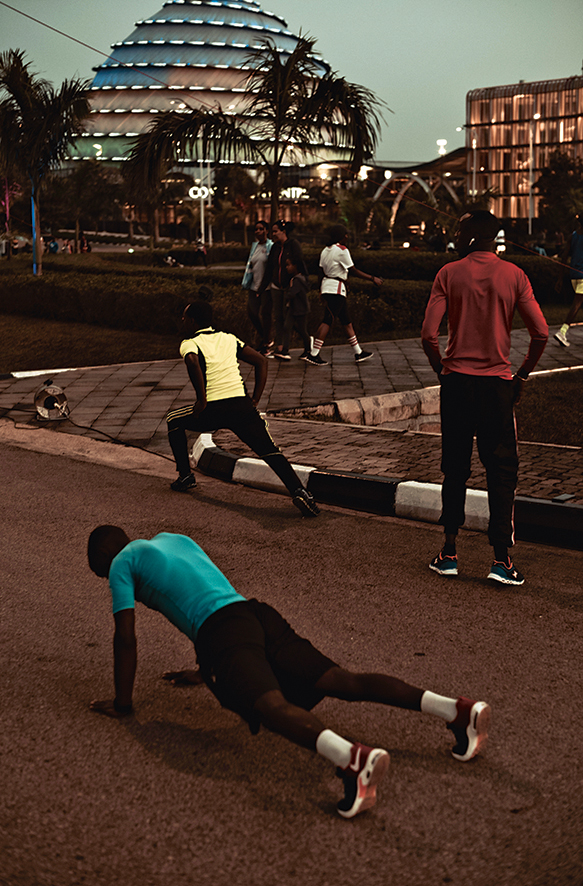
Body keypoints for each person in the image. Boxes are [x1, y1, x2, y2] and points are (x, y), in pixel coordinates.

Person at [87, 525, 492, 820]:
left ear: (105, 559)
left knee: (270, 706)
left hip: (223, 634)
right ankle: (456, 711)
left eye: (103, 575)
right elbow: (202, 593)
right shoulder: (174, 540)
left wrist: (124, 704)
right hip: (255, 615)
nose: (110, 581)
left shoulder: (123, 563)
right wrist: (204, 667)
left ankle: (353, 761)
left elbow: (126, 637)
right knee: (343, 681)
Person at [421, 210, 548, 585]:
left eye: (460, 230)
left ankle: (449, 553)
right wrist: (521, 373)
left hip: (457, 383)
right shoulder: (514, 275)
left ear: (472, 236)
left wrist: (441, 370)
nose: (455, 235)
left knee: (455, 467)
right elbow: (540, 332)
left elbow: (429, 334)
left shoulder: (449, 273)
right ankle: (501, 560)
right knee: (502, 471)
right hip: (497, 386)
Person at [165, 299, 319, 517]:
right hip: (242, 406)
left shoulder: (190, 342)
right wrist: (255, 398)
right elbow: (261, 362)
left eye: (184, 317)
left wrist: (201, 400)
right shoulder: (229, 338)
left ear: (191, 321)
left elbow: (191, 362)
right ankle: (301, 492)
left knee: (174, 419)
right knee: (270, 450)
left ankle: (185, 476)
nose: (182, 321)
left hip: (213, 409)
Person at [304, 225, 382, 366]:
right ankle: (314, 354)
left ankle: (358, 352)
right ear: (340, 236)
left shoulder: (325, 251)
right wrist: (372, 278)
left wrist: (321, 290)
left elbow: (320, 273)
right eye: (345, 234)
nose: (347, 237)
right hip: (336, 290)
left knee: (346, 322)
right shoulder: (342, 250)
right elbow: (353, 270)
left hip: (328, 287)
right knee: (328, 320)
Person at [258, 220, 306, 361]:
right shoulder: (275, 248)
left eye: (275, 231)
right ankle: (281, 348)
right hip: (276, 287)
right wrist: (261, 288)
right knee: (278, 317)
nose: (272, 234)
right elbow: (269, 269)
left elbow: (300, 264)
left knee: (290, 320)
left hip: (289, 287)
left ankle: (306, 342)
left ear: (283, 232)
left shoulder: (293, 245)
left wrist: (303, 282)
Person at [241, 220, 273, 353]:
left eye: (261, 229)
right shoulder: (254, 247)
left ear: (266, 230)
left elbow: (271, 267)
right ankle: (266, 338)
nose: (258, 231)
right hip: (254, 286)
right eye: (256, 229)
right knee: (252, 312)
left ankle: (266, 343)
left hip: (267, 288)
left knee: (266, 314)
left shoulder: (271, 246)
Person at [554, 214, 583, 347]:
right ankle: (562, 331)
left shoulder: (573, 236)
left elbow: (564, 257)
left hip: (573, 275)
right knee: (577, 303)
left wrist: (560, 279)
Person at [281, 254, 312, 360]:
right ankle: (285, 350)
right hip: (293, 308)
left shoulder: (298, 280)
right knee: (287, 327)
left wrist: (285, 295)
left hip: (300, 309)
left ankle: (308, 349)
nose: (287, 267)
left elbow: (292, 293)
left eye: (288, 265)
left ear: (296, 266)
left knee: (302, 330)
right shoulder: (295, 279)